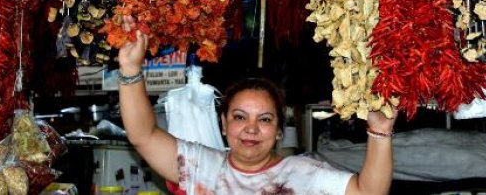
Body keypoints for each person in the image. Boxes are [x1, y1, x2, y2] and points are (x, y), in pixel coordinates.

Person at [118, 16, 397, 195]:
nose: (251, 129)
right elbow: (143, 135)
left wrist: (380, 131)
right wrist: (130, 69)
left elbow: (368, 193)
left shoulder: (304, 173)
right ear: (224, 123)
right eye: (240, 117)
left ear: (278, 130)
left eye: (264, 119)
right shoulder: (201, 165)